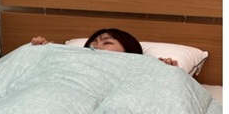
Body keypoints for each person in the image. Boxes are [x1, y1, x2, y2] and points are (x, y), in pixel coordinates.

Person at [31, 28, 178, 66]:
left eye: (107, 43)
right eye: (93, 43)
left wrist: (166, 70)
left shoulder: (141, 70)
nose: (96, 46)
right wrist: (43, 51)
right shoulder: (72, 61)